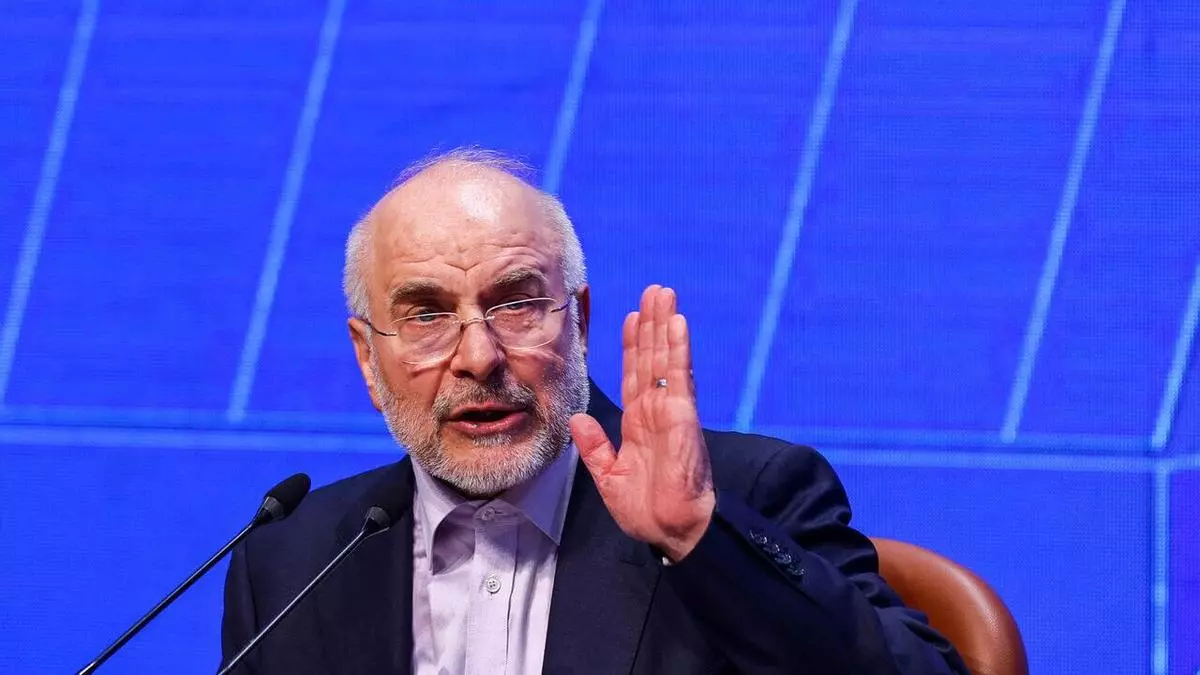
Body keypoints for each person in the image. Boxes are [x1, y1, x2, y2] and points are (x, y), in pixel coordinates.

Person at [220, 148, 968, 675]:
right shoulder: (292, 561)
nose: (478, 356)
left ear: (577, 320)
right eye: (427, 315)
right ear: (367, 356)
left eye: (517, 303)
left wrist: (697, 536)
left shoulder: (749, 493)